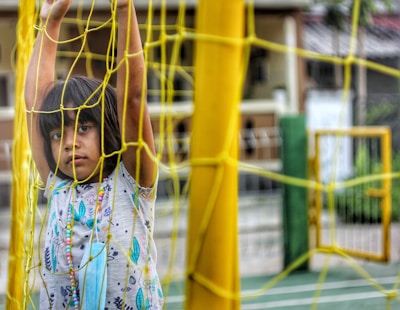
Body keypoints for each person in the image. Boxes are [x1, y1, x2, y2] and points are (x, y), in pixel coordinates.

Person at [24, 0, 163, 308]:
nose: (70, 143)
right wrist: (52, 21)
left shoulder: (130, 182)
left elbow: (134, 98)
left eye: (84, 128)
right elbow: (35, 102)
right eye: (59, 134)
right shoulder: (59, 185)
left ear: (107, 129)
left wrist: (125, 8)